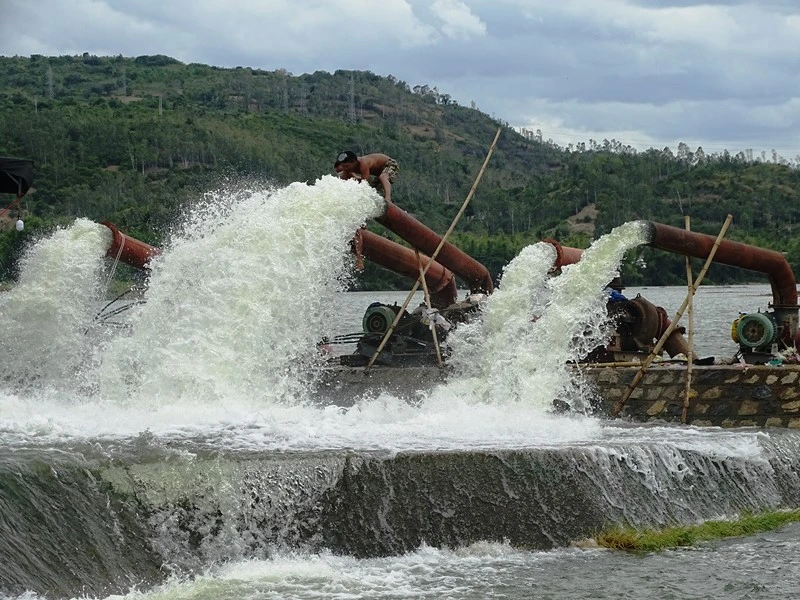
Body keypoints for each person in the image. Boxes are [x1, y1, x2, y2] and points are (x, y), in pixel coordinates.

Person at [334, 151, 399, 203]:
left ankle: (388, 198)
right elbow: (343, 179)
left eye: (347, 166)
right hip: (379, 174)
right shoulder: (348, 168)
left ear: (354, 162)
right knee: (373, 190)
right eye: (343, 166)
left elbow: (364, 184)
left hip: (390, 164)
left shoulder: (363, 163)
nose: (345, 168)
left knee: (382, 177)